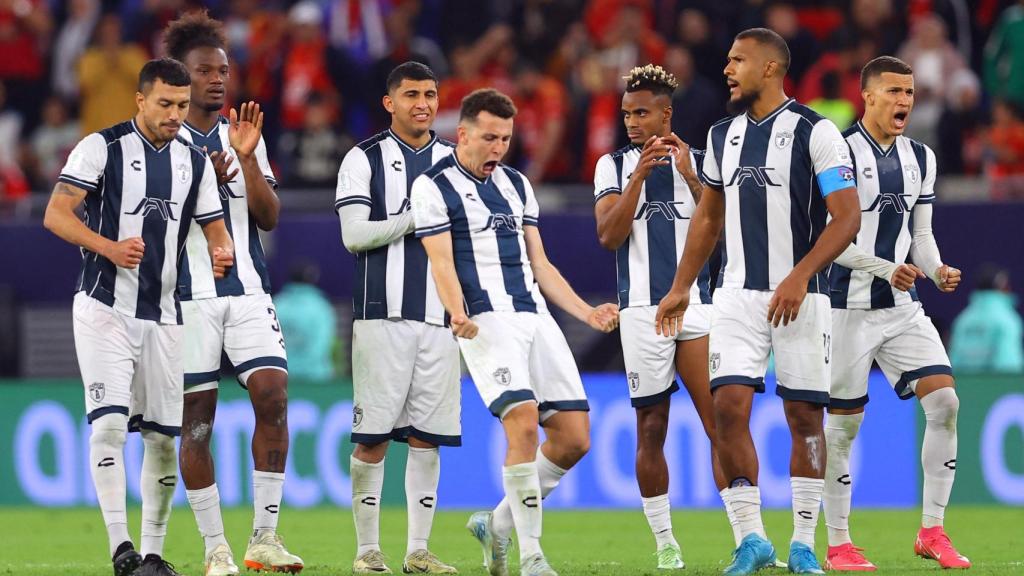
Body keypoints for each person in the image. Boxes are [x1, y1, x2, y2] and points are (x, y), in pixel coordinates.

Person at [655, 28, 862, 575]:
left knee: (803, 416)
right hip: (734, 297)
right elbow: (709, 217)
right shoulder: (721, 135)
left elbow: (847, 217)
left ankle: (801, 543)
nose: (727, 69)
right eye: (727, 60)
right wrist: (681, 285)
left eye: (738, 60)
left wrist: (799, 276)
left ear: (770, 68)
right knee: (725, 410)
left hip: (802, 295)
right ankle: (751, 539)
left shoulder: (817, 132)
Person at [412, 88, 619, 576]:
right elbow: (441, 260)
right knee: (523, 421)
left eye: (505, 138)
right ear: (462, 134)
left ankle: (498, 524)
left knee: (574, 439)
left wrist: (583, 311)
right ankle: (532, 558)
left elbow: (540, 263)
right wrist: (456, 311)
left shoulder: (517, 185)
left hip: (534, 318)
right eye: (489, 137)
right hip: (484, 320)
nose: (498, 148)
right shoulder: (433, 187)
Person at [43, 58, 234, 576]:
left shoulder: (193, 161)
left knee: (160, 438)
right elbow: (56, 213)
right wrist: (107, 246)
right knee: (108, 427)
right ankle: (121, 550)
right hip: (104, 308)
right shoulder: (101, 147)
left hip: (165, 316)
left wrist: (221, 250)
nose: (175, 114)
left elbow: (215, 227)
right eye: (166, 104)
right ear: (141, 100)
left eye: (182, 106)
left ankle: (151, 554)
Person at [164, 12, 302, 575]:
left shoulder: (241, 135)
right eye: (204, 71)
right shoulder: (159, 141)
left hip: (247, 288)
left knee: (272, 395)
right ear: (182, 77)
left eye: (223, 70)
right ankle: (214, 546)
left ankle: (263, 538)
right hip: (188, 296)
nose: (217, 80)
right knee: (198, 417)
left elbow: (268, 216)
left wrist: (246, 162)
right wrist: (202, 182)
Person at [823, 55, 970, 572]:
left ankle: (932, 531)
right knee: (841, 430)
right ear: (866, 95)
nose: (904, 101)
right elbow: (828, 241)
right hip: (843, 308)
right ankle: (839, 543)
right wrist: (888, 267)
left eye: (908, 92)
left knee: (946, 402)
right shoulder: (836, 152)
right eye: (892, 92)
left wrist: (935, 267)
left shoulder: (921, 157)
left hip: (901, 306)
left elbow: (922, 236)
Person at [592, 63, 728, 569]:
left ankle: (745, 534)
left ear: (667, 114)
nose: (632, 122)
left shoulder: (703, 159)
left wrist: (691, 177)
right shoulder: (611, 166)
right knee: (652, 426)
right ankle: (665, 542)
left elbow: (723, 228)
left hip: (696, 305)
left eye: (642, 113)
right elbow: (609, 235)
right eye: (626, 114)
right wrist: (639, 178)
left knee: (722, 423)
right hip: (642, 312)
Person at [335, 61, 460, 575]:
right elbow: (353, 235)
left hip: (441, 319)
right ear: (390, 102)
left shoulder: (457, 161)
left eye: (430, 94)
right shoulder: (363, 158)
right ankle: (367, 551)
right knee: (374, 437)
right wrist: (417, 217)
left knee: (428, 437)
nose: (423, 103)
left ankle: (417, 551)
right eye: (411, 94)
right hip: (380, 316)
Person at [949, 265, 1024, 373]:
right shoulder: (1007, 319)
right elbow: (1009, 365)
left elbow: (954, 361)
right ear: (1003, 287)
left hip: (964, 387)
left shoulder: (963, 319)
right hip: (998, 387)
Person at [274, 262, 337, 382]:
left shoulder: (276, 304)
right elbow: (324, 344)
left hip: (282, 376)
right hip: (316, 377)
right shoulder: (321, 306)